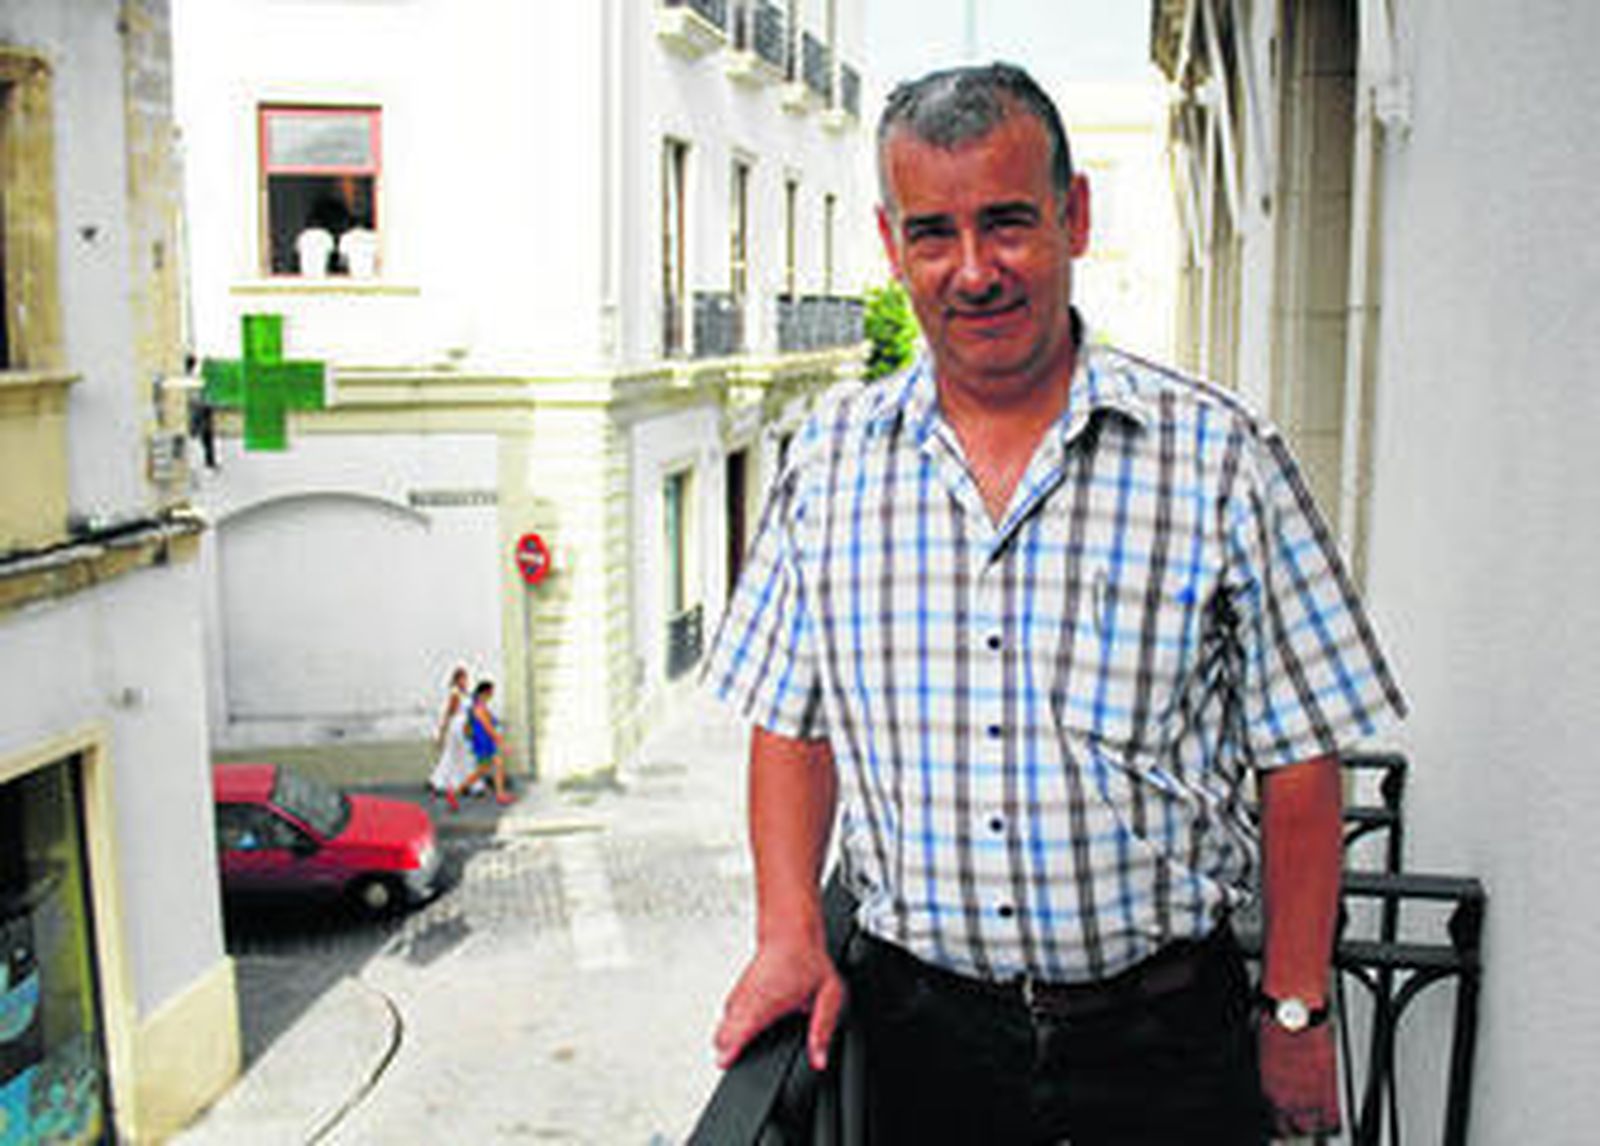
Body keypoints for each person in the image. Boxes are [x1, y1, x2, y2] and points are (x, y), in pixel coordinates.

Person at [703, 62, 1406, 1144]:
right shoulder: (829, 461)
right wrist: (792, 931)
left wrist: (1297, 1005)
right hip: (922, 1043)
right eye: (933, 233)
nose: (973, 270)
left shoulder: (1218, 457)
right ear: (892, 249)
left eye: (1008, 223)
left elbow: (1300, 755)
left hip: (1169, 1044)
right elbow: (790, 723)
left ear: (1073, 218)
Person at [448, 680, 515, 809]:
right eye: (491, 692)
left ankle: (500, 794)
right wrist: (502, 744)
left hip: (485, 742)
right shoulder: (479, 708)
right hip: (484, 744)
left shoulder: (480, 706)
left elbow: (491, 723)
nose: (492, 695)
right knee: (482, 771)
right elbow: (488, 728)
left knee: (494, 766)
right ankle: (455, 792)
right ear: (485, 692)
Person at [426, 666, 476, 799]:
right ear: (457, 680)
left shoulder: (465, 693)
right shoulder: (455, 694)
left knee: (457, 755)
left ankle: (441, 781)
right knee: (461, 754)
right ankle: (446, 782)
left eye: (466, 678)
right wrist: (442, 731)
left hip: (464, 725)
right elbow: (450, 713)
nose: (465, 681)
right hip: (457, 726)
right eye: (463, 678)